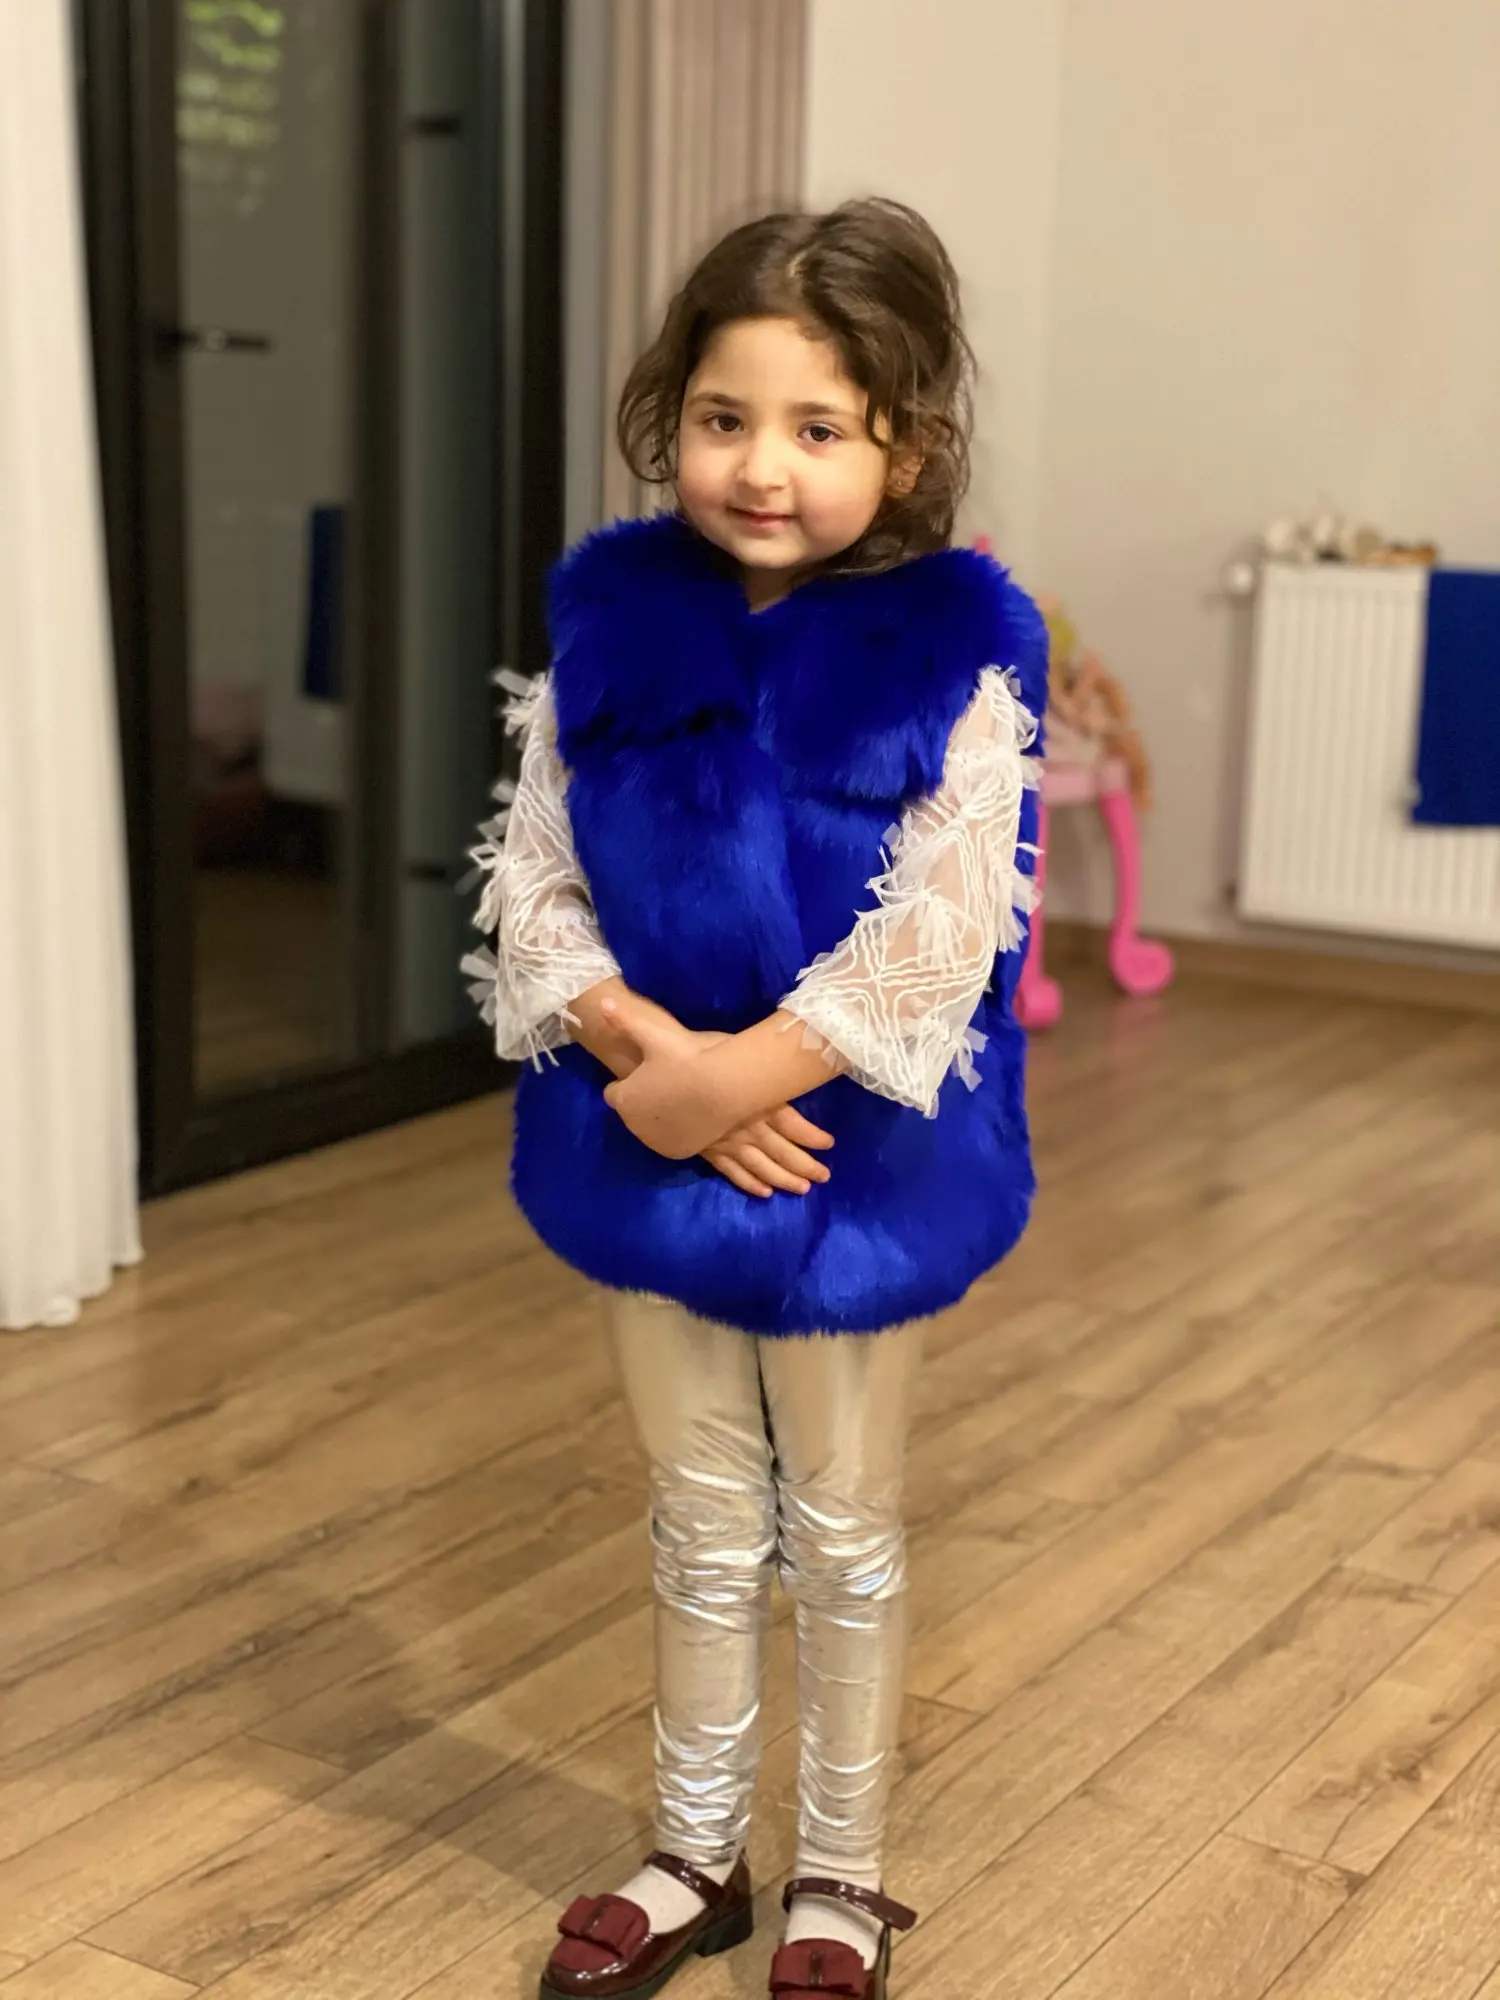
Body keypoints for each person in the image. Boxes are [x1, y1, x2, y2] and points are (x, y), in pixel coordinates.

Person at [465, 197, 1047, 2000]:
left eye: (817, 427)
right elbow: (533, 875)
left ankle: (843, 1874)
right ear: (673, 418)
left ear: (906, 448)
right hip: (645, 1139)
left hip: (846, 1164)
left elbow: (945, 929)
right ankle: (696, 1850)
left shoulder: (955, 657)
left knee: (843, 1527)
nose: (762, 467)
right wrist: (647, 1059)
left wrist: (731, 1081)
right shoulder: (613, 628)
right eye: (725, 419)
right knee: (700, 1512)